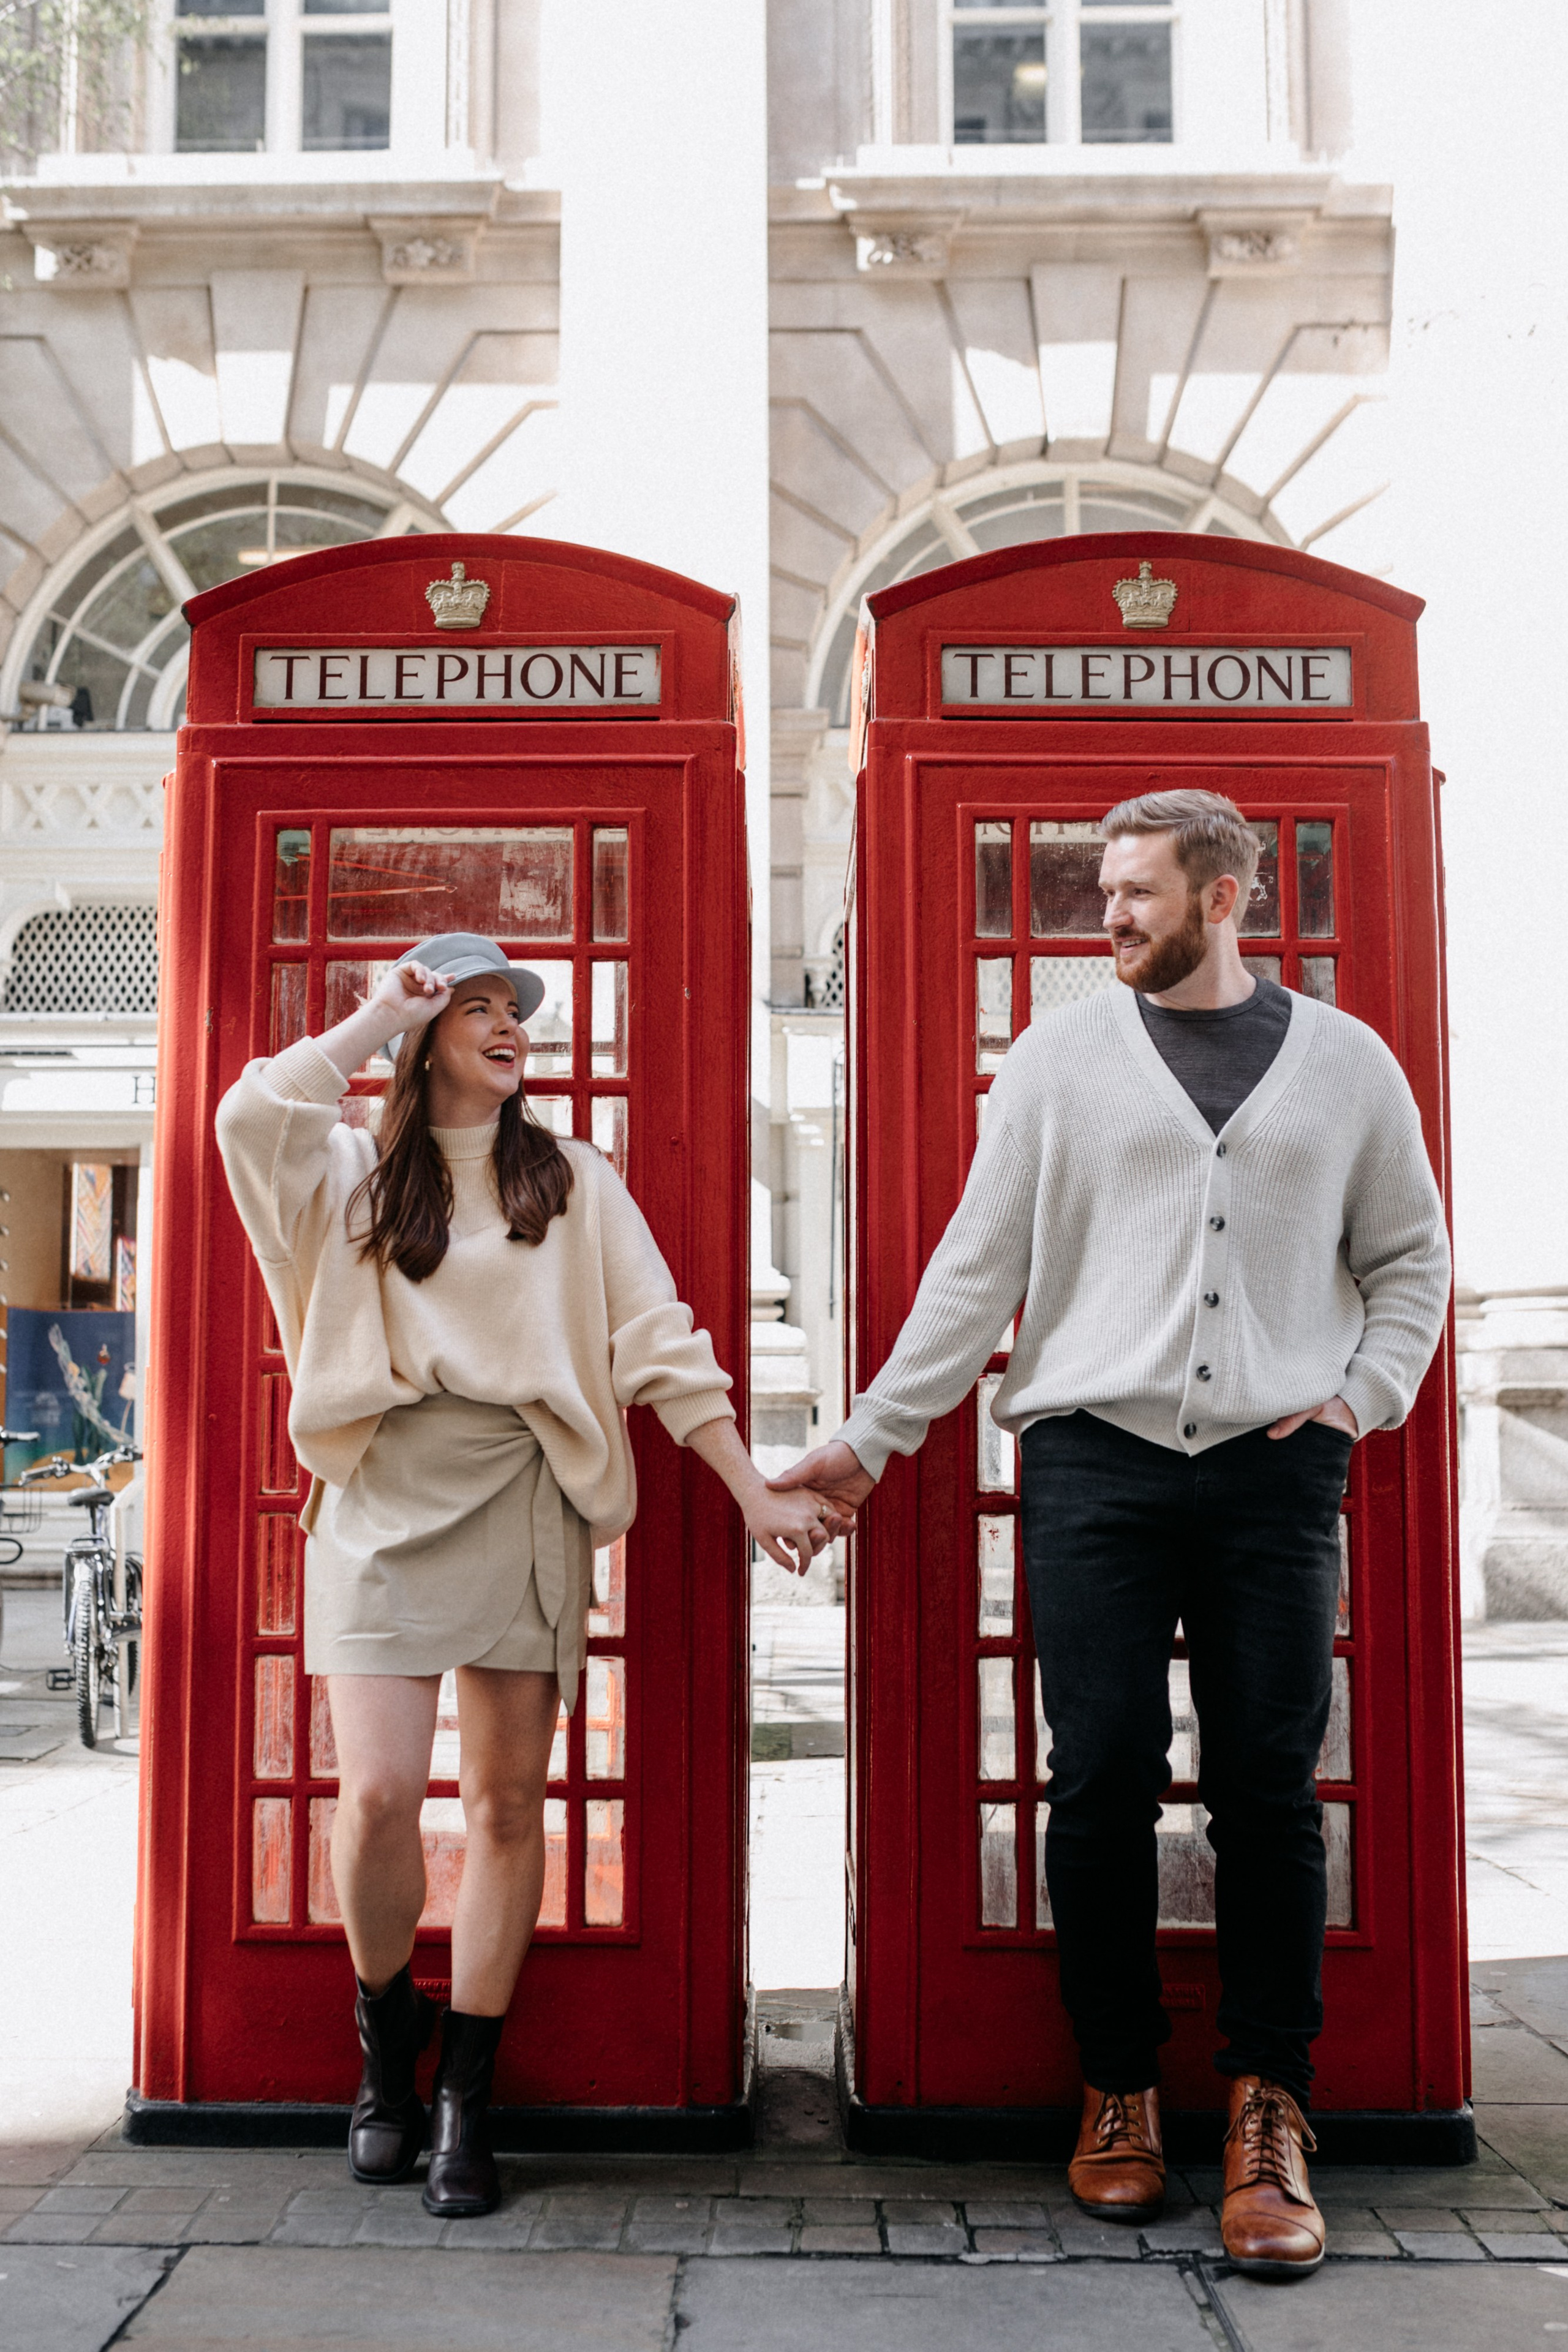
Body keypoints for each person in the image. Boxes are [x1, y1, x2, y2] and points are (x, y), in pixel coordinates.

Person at [772, 791, 1449, 2278]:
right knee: (1094, 1788)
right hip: (1093, 1464)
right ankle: (1120, 2084)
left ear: (1222, 898)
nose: (1106, 917)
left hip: (1276, 1475)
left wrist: (1355, 1401)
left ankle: (1270, 2106)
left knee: (1269, 1796)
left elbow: (1409, 1257)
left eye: (1135, 892)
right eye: (1099, 891)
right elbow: (975, 1265)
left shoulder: (1345, 1067)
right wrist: (869, 1434)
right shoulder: (1058, 1059)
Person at [217, 934, 832, 2217]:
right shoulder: (342, 1174)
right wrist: (379, 1010)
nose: (509, 1027)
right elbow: (249, 1111)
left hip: (522, 1496)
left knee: (504, 1811)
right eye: (478, 1007)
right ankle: (389, 2045)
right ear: (422, 1033)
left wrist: (750, 1488)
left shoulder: (571, 1181)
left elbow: (658, 1342)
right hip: (381, 1497)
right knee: (379, 1798)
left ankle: (465, 2098)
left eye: (519, 1012)